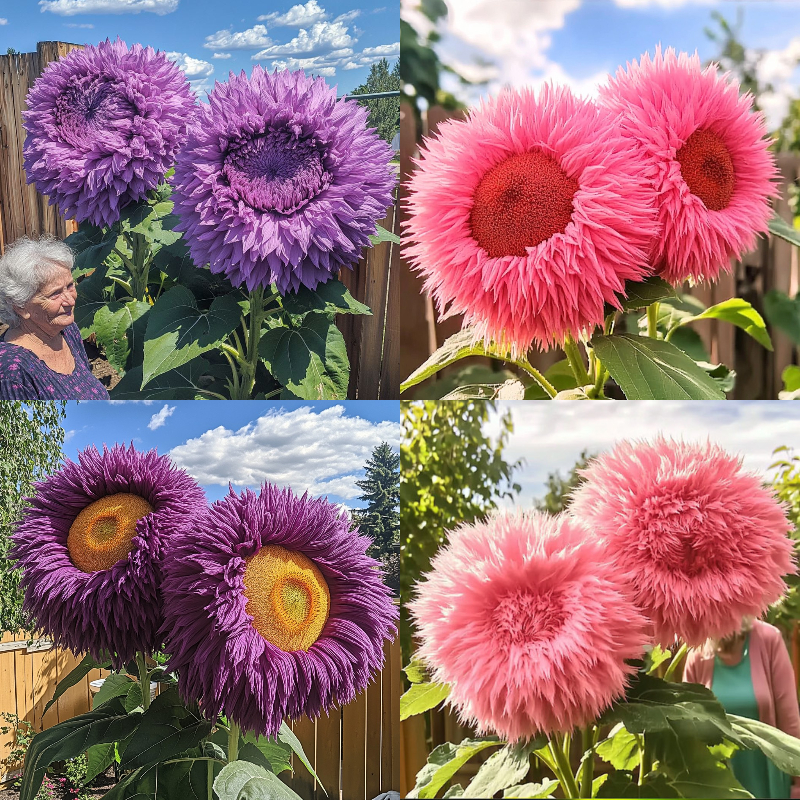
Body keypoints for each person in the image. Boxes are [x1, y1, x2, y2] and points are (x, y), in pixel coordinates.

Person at [684, 617, 800, 799]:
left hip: (765, 775)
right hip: (717, 781)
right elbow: (687, 731)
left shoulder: (769, 639)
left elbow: (789, 719)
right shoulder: (697, 652)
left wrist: (798, 783)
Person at [0, 236, 109, 400]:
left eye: (70, 286)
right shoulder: (12, 372)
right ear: (21, 307)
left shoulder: (67, 331)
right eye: (55, 293)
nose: (71, 300)